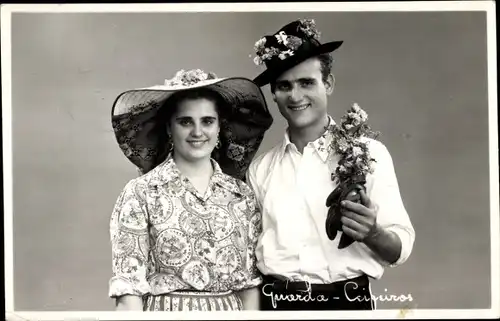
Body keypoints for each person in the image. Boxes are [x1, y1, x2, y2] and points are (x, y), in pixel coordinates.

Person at [246, 19, 416, 310]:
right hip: (277, 305)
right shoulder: (260, 170)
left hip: (346, 305)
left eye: (306, 83)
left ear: (328, 83)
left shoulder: (368, 155)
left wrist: (373, 233)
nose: (296, 96)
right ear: (274, 94)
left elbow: (400, 247)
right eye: (285, 86)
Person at [108, 69, 273, 311]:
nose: (197, 132)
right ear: (168, 129)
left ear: (219, 129)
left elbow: (248, 286)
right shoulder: (141, 192)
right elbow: (129, 288)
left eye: (207, 121)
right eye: (185, 121)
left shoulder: (241, 195)